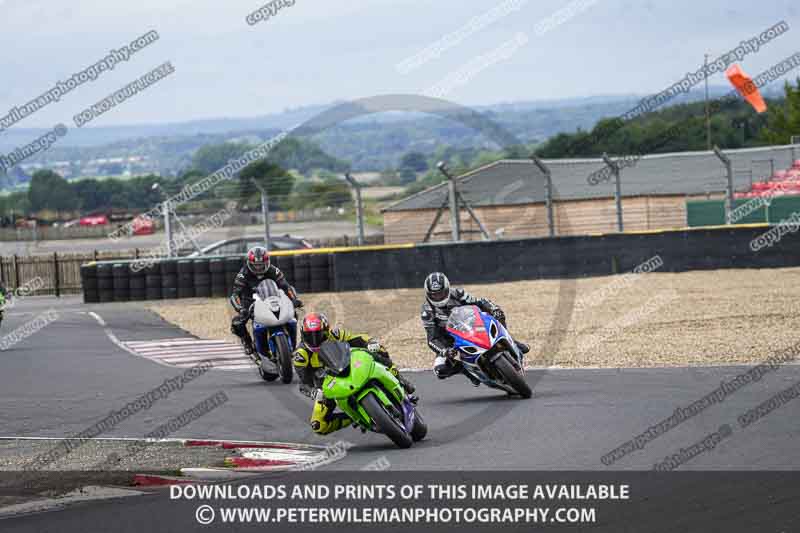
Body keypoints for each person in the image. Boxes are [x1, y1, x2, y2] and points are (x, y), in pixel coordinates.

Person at [293, 312, 415, 435]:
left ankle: (399, 378)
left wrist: (370, 342)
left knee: (377, 349)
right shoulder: (301, 356)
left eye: (319, 335)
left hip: (349, 367)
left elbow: (358, 338)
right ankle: (353, 417)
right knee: (318, 425)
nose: (315, 341)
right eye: (310, 336)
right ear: (303, 335)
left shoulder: (335, 335)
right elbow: (303, 384)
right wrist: (314, 392)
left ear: (327, 331)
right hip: (327, 386)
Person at [421, 272, 529, 384]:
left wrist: (493, 309)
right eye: (434, 295)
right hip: (450, 340)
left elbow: (480, 302)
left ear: (447, 288)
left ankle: (512, 342)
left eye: (441, 293)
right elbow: (432, 339)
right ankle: (468, 372)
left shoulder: (458, 293)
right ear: (428, 294)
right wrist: (444, 350)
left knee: (498, 315)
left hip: (471, 325)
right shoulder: (427, 311)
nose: (438, 297)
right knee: (440, 369)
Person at [229, 245, 302, 356]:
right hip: (250, 301)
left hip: (272, 297)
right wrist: (240, 308)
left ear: (267, 262)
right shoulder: (243, 274)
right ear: (250, 263)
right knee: (237, 323)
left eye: (261, 265)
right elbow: (235, 295)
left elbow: (286, 286)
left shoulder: (273, 270)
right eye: (256, 265)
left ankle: (292, 342)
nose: (258, 268)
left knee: (292, 315)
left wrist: (294, 299)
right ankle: (247, 342)